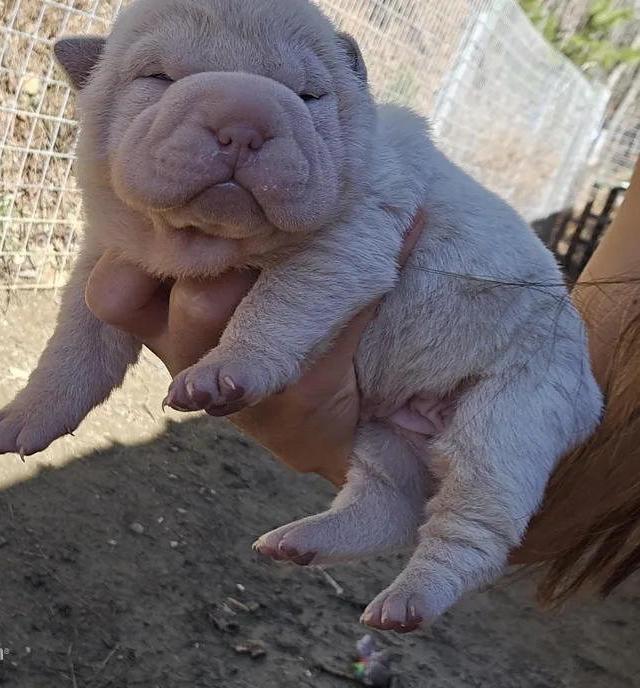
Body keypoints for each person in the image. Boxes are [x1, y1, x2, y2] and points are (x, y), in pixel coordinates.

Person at [85, 161, 640, 605]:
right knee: (399, 439)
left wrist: (263, 357)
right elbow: (598, 386)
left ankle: (453, 558)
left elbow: (555, 447)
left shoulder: (365, 161)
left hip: (502, 360)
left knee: (490, 459)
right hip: (447, 360)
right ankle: (385, 504)